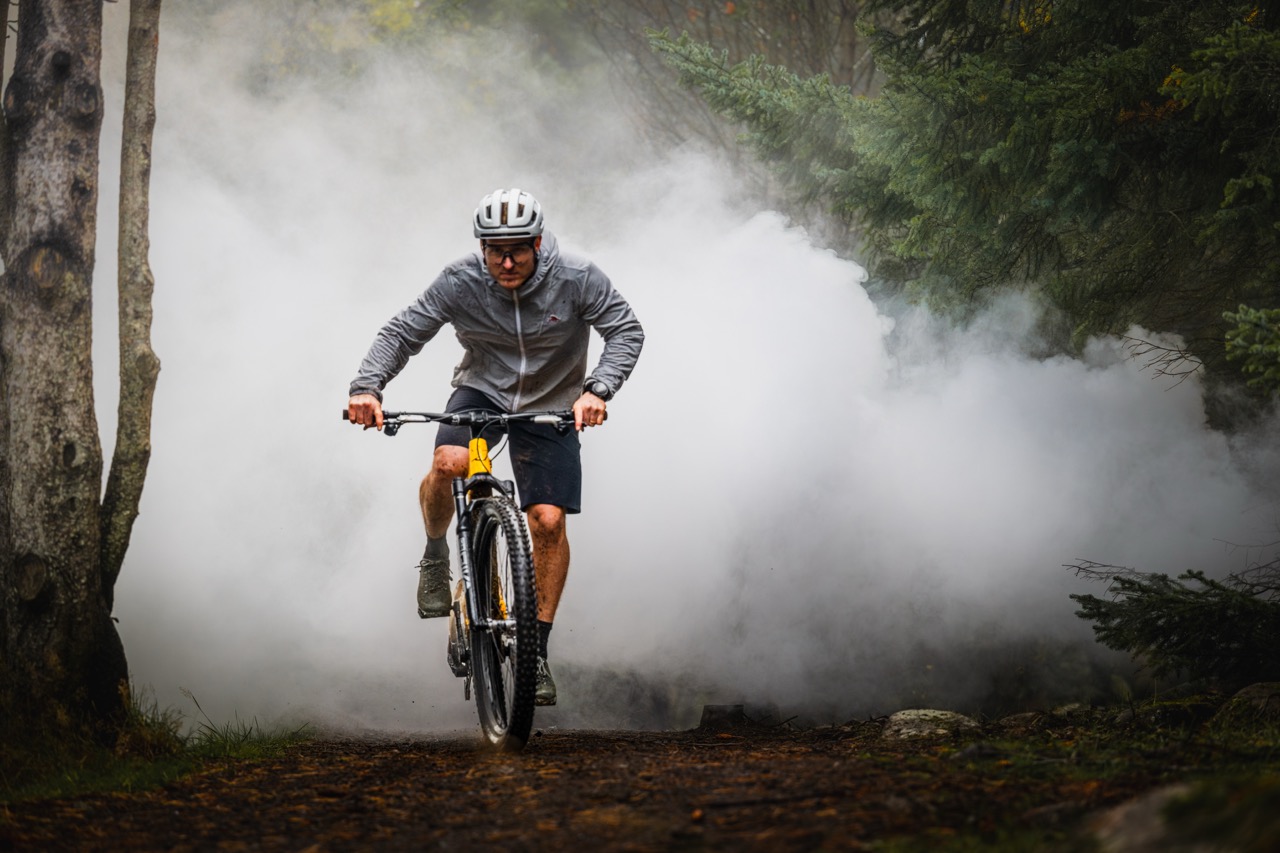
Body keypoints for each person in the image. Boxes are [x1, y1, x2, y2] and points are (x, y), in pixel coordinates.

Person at [346, 188, 644, 706]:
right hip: (482, 392)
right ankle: (437, 553)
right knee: (451, 461)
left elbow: (626, 330)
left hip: (552, 402)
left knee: (548, 520)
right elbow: (402, 332)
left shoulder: (577, 276)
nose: (505, 262)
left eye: (517, 250)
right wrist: (367, 387)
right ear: (481, 247)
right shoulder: (460, 280)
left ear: (537, 242)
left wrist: (598, 389)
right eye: (494, 250)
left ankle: (535, 653)